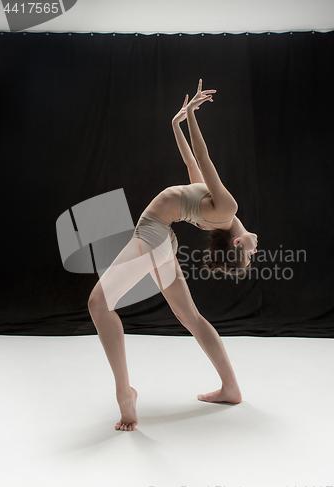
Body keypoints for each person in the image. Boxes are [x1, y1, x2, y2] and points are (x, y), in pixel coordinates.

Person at [88, 79, 258, 431]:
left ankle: (124, 394)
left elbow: (205, 159)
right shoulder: (217, 212)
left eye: (251, 255)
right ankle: (231, 388)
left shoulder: (227, 208)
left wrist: (193, 115)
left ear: (238, 244)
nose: (257, 250)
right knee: (191, 317)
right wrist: (175, 124)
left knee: (98, 303)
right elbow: (193, 163)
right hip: (161, 242)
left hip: (152, 236)